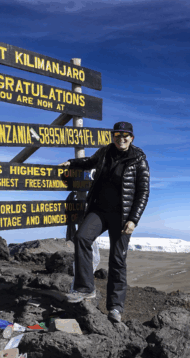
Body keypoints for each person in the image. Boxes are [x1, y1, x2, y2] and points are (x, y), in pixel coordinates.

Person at [59, 121, 150, 323]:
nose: (121, 138)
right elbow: (89, 162)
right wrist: (71, 163)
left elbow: (143, 193)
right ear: (113, 136)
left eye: (125, 135)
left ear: (132, 138)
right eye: (117, 135)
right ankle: (85, 288)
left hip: (123, 217)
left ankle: (115, 308)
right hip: (99, 210)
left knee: (117, 260)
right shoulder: (104, 152)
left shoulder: (139, 160)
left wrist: (134, 220)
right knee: (82, 237)